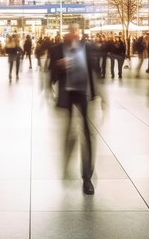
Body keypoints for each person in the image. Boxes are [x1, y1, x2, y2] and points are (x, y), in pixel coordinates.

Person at [49, 24, 102, 195]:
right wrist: (59, 66)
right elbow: (51, 71)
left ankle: (87, 177)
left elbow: (95, 69)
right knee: (69, 132)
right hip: (67, 94)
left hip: (84, 94)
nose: (73, 34)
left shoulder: (86, 48)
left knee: (87, 135)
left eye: (76, 32)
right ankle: (66, 164)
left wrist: (102, 96)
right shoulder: (56, 49)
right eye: (70, 31)